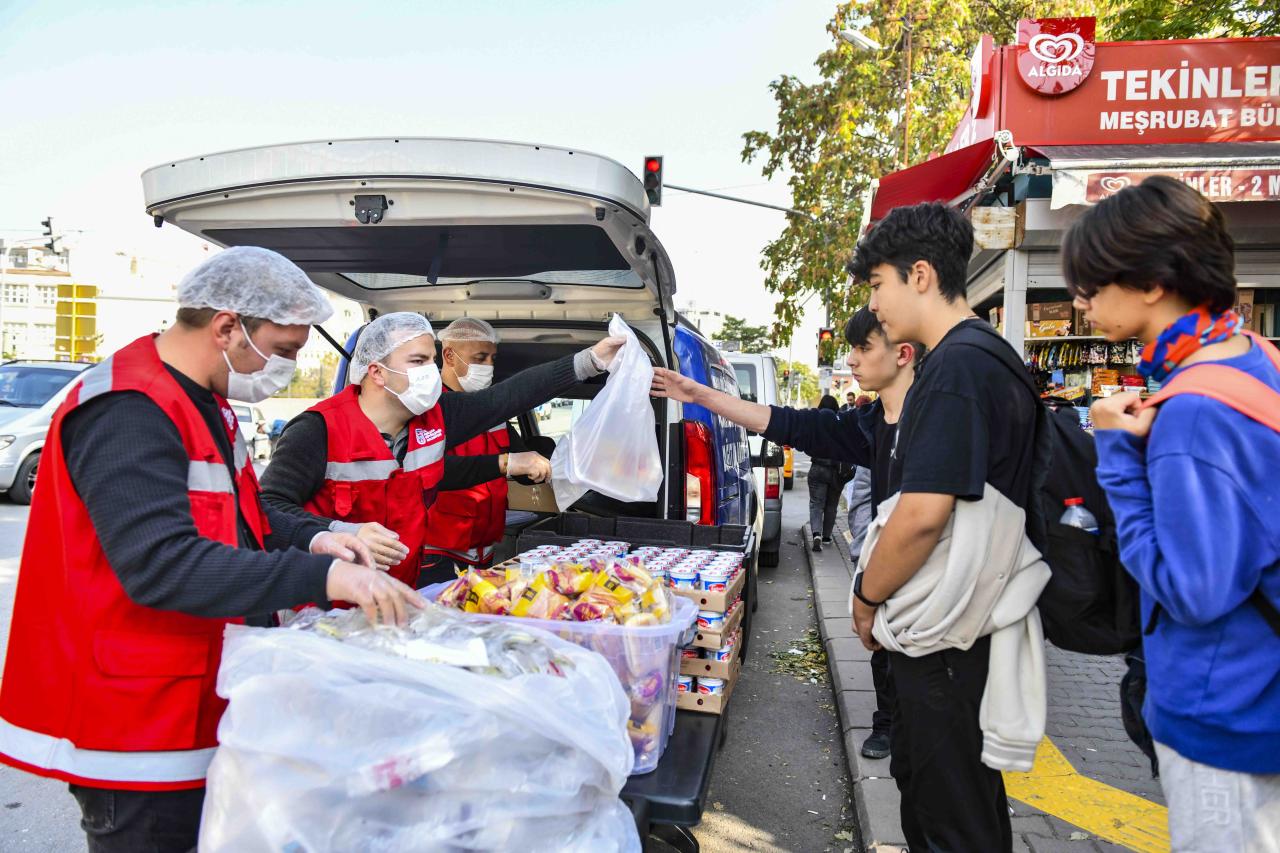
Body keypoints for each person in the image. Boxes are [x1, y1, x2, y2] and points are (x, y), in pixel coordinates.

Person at [0, 247, 423, 853]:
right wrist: (326, 576)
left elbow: (237, 518)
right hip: (136, 724)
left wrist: (317, 536)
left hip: (196, 696)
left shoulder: (207, 399)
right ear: (228, 326)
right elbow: (160, 564)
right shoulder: (128, 408)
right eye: (282, 351)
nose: (286, 369)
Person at [1065, 176, 1280, 851]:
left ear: (1153, 281)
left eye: (1094, 286)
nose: (1083, 302)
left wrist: (1117, 456)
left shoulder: (1194, 411)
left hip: (1225, 714)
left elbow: (1193, 590)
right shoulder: (1258, 360)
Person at [652, 305, 921, 763]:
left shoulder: (937, 417)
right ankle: (889, 724)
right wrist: (697, 392)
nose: (851, 360)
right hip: (891, 570)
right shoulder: (870, 423)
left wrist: (868, 592)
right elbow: (785, 422)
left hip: (934, 583)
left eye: (862, 348)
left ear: (903, 353)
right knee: (885, 650)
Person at [261, 312, 623, 590]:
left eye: (431, 362)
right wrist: (339, 531)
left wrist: (591, 359)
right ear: (377, 372)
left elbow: (509, 396)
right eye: (417, 362)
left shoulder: (436, 419)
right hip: (326, 599)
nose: (431, 373)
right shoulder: (316, 430)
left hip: (400, 593)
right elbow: (267, 510)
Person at [419, 317, 550, 578]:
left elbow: (521, 465)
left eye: (492, 358)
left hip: (484, 552)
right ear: (449, 355)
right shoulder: (428, 409)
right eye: (480, 358)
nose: (489, 366)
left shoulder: (494, 414)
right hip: (436, 553)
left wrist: (540, 464)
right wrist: (505, 463)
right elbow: (430, 472)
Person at [807, 394, 852, 552]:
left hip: (818, 468)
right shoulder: (842, 424)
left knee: (816, 504)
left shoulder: (815, 424)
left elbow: (808, 445)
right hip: (836, 471)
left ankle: (816, 534)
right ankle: (827, 536)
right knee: (832, 506)